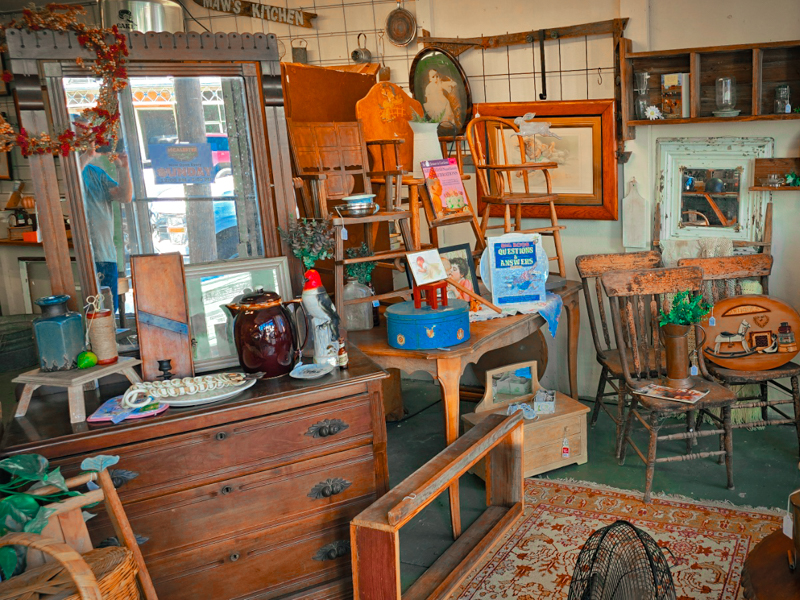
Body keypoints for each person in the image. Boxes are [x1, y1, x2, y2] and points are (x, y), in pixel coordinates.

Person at [77, 131, 133, 313]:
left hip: (105, 254)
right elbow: (71, 181)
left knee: (108, 311)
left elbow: (125, 196)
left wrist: (123, 167)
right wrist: (87, 156)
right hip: (81, 257)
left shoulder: (96, 173)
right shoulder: (68, 171)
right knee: (86, 313)